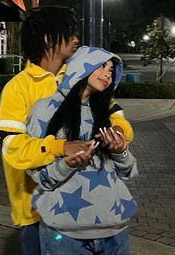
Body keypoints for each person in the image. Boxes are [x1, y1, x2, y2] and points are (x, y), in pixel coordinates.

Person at [0, 7, 133, 255]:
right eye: (69, 33)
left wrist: (118, 135)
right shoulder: (17, 88)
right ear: (49, 39)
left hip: (90, 211)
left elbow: (115, 116)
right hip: (35, 210)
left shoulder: (79, 74)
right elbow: (12, 148)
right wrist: (59, 147)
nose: (76, 39)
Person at [27, 46, 138, 255]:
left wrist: (120, 151)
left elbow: (129, 171)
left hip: (115, 230)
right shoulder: (45, 109)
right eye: (102, 66)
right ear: (80, 65)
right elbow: (37, 175)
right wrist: (66, 164)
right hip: (65, 234)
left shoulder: (105, 114)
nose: (107, 74)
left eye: (112, 71)